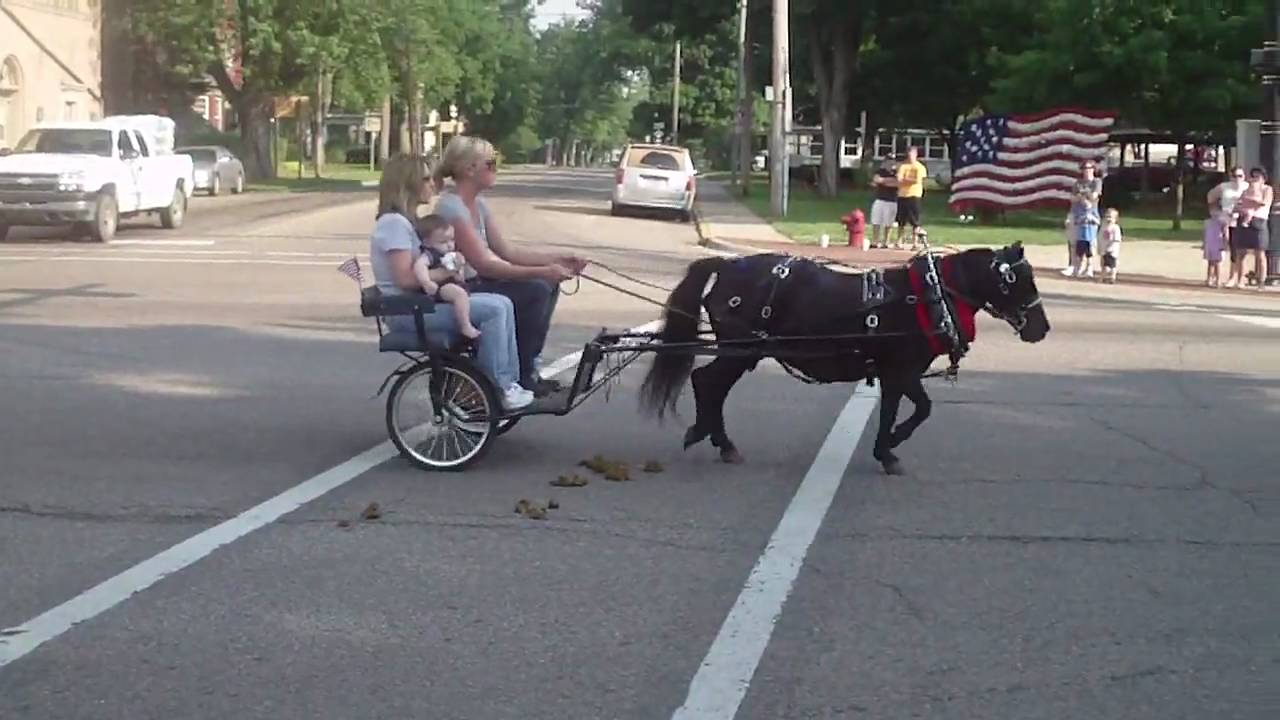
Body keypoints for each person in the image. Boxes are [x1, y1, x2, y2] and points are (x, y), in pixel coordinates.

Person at [368, 153, 532, 410]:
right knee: (493, 310)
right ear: (407, 183)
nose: (433, 184)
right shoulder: (393, 224)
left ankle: (509, 382)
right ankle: (494, 388)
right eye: (425, 178)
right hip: (406, 311)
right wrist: (446, 273)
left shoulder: (407, 222)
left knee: (503, 302)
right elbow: (406, 279)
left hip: (420, 304)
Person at [431, 135, 587, 395]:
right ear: (469, 169)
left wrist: (559, 259)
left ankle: (528, 367)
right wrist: (543, 272)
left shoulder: (478, 205)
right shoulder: (452, 208)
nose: (496, 169)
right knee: (536, 289)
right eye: (491, 164)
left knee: (547, 285)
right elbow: (485, 264)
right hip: (462, 289)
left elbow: (508, 252)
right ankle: (522, 375)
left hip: (478, 282)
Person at [413, 214, 480, 340]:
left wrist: (460, 270)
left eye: (451, 240)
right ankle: (465, 325)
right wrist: (426, 282)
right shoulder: (430, 254)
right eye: (443, 242)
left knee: (462, 293)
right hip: (440, 287)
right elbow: (419, 266)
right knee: (459, 295)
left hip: (452, 283)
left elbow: (458, 269)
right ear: (427, 242)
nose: (449, 245)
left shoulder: (450, 253)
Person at [1225, 167, 1273, 290]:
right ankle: (1239, 280)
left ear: (1263, 178)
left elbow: (1263, 203)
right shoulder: (1247, 190)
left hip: (1259, 221)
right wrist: (1245, 204)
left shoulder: (1267, 189)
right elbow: (1238, 203)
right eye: (1253, 176)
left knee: (1260, 253)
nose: (1255, 179)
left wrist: (1248, 202)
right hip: (1244, 220)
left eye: (1258, 176)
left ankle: (1261, 281)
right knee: (1240, 252)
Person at [1204, 167, 1246, 288]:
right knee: (1222, 248)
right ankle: (1225, 277)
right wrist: (1216, 211)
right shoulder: (1224, 187)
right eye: (1235, 176)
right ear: (1231, 176)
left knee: (1238, 250)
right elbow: (1210, 197)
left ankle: (1237, 277)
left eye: (1241, 176)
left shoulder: (1246, 187)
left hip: (1241, 220)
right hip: (1226, 220)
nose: (1238, 179)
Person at [1063, 161, 1102, 276]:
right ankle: (1074, 266)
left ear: (1093, 169)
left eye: (1089, 168)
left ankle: (1089, 267)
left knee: (1089, 242)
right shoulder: (1077, 183)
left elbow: (1094, 196)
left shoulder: (1096, 182)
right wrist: (1083, 198)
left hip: (1090, 214)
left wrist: (1081, 196)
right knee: (1074, 241)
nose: (1086, 170)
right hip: (1076, 213)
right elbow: (1072, 198)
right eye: (1084, 168)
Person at [893, 146, 927, 250]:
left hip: (914, 195)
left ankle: (915, 243)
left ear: (916, 154)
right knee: (901, 221)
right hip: (902, 195)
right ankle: (899, 242)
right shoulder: (903, 166)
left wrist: (905, 180)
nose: (910, 156)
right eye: (908, 153)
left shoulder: (920, 167)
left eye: (912, 153)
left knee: (915, 221)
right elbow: (899, 179)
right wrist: (907, 180)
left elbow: (916, 180)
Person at [869, 156, 898, 249]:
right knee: (876, 220)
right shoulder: (880, 171)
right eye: (888, 161)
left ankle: (886, 241)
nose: (890, 163)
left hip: (892, 200)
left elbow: (897, 182)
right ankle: (875, 240)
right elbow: (876, 180)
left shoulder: (897, 172)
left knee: (888, 222)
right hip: (880, 199)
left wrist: (883, 181)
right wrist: (887, 181)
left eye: (892, 161)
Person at [1100, 208, 1122, 283]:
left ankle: (1110, 277)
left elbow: (1116, 239)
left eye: (1111, 217)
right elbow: (1100, 238)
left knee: (1109, 265)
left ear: (1115, 219)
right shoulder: (1103, 227)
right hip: (1104, 249)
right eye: (1107, 216)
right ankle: (1106, 277)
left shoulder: (1115, 228)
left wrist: (1111, 248)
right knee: (1104, 264)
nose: (1108, 219)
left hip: (1112, 250)